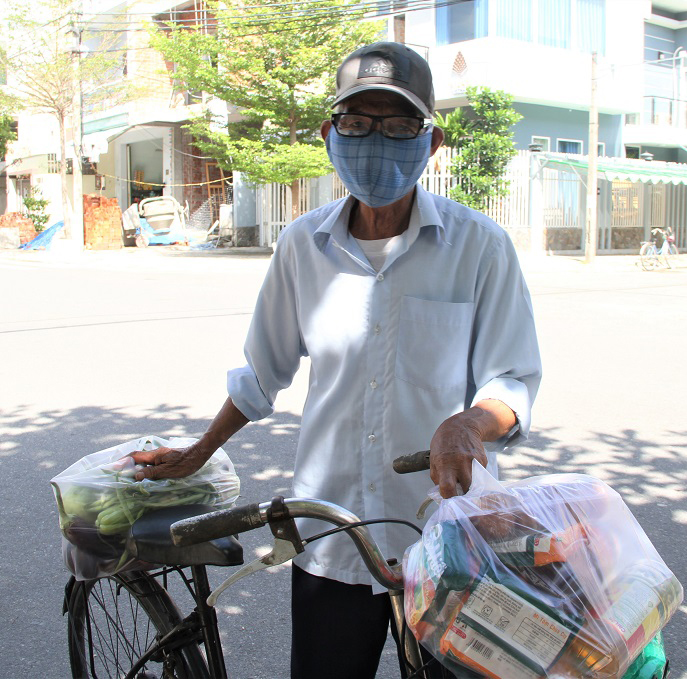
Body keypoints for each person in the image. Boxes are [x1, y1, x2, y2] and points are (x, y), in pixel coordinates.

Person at [129, 42, 542, 679]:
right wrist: (196, 453)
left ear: (432, 142)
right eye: (358, 123)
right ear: (330, 135)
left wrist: (469, 424)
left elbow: (511, 378)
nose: (377, 140)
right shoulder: (302, 245)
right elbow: (262, 373)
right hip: (331, 537)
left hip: (447, 535)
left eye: (400, 124)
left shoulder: (480, 247)